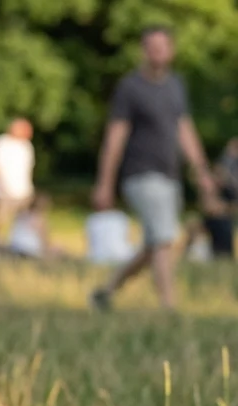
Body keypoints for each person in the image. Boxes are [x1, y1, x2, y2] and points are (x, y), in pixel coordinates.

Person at [89, 26, 218, 311]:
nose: (157, 52)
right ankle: (168, 306)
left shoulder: (176, 86)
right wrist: (105, 182)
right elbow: (115, 136)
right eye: (151, 46)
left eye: (163, 46)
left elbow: (184, 129)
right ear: (143, 50)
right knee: (164, 239)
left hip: (170, 174)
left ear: (171, 50)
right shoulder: (130, 88)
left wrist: (201, 170)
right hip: (141, 173)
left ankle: (105, 293)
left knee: (153, 245)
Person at [0, 118, 36, 257]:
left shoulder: (26, 146)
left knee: (23, 222)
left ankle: (20, 246)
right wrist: (1, 185)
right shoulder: (1, 143)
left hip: (23, 191)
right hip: (3, 191)